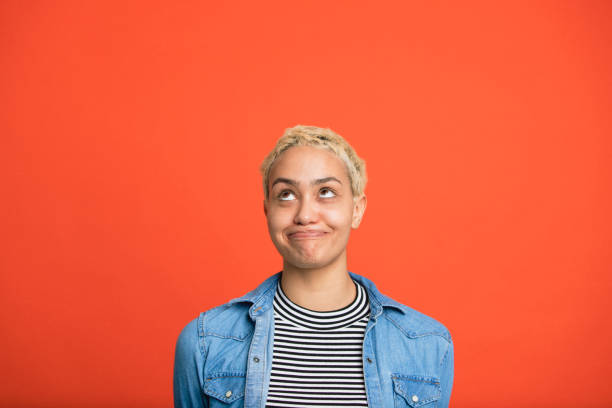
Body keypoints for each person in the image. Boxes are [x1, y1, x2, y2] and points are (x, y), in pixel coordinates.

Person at [173, 125, 454, 408]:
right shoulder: (205, 342)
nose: (305, 214)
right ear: (267, 211)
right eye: (286, 194)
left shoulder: (428, 345)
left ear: (357, 209)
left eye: (326, 191)